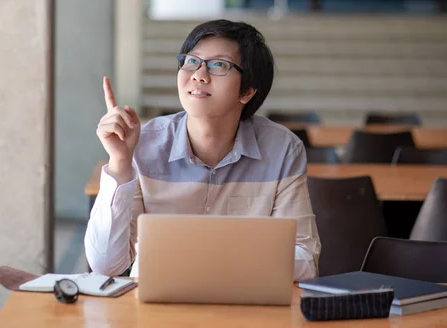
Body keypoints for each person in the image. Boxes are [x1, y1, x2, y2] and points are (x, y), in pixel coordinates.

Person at [85, 19, 321, 281]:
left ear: (248, 91)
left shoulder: (282, 150)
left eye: (218, 65)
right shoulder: (144, 144)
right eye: (191, 61)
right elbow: (105, 265)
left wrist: (214, 262)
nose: (198, 74)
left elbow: (305, 260)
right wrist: (120, 162)